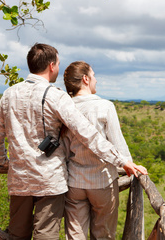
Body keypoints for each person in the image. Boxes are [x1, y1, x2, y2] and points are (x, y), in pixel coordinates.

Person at [0, 43, 147, 240]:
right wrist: (121, 161)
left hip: (19, 179)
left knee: (17, 234)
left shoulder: (9, 94)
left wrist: (3, 163)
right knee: (46, 234)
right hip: (49, 180)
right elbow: (87, 133)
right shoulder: (55, 96)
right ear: (52, 66)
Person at [62, 61, 146, 240]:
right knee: (104, 235)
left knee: (74, 236)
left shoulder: (65, 108)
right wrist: (129, 164)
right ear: (85, 79)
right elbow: (118, 143)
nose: (96, 80)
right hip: (102, 180)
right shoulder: (104, 106)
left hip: (74, 181)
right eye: (93, 76)